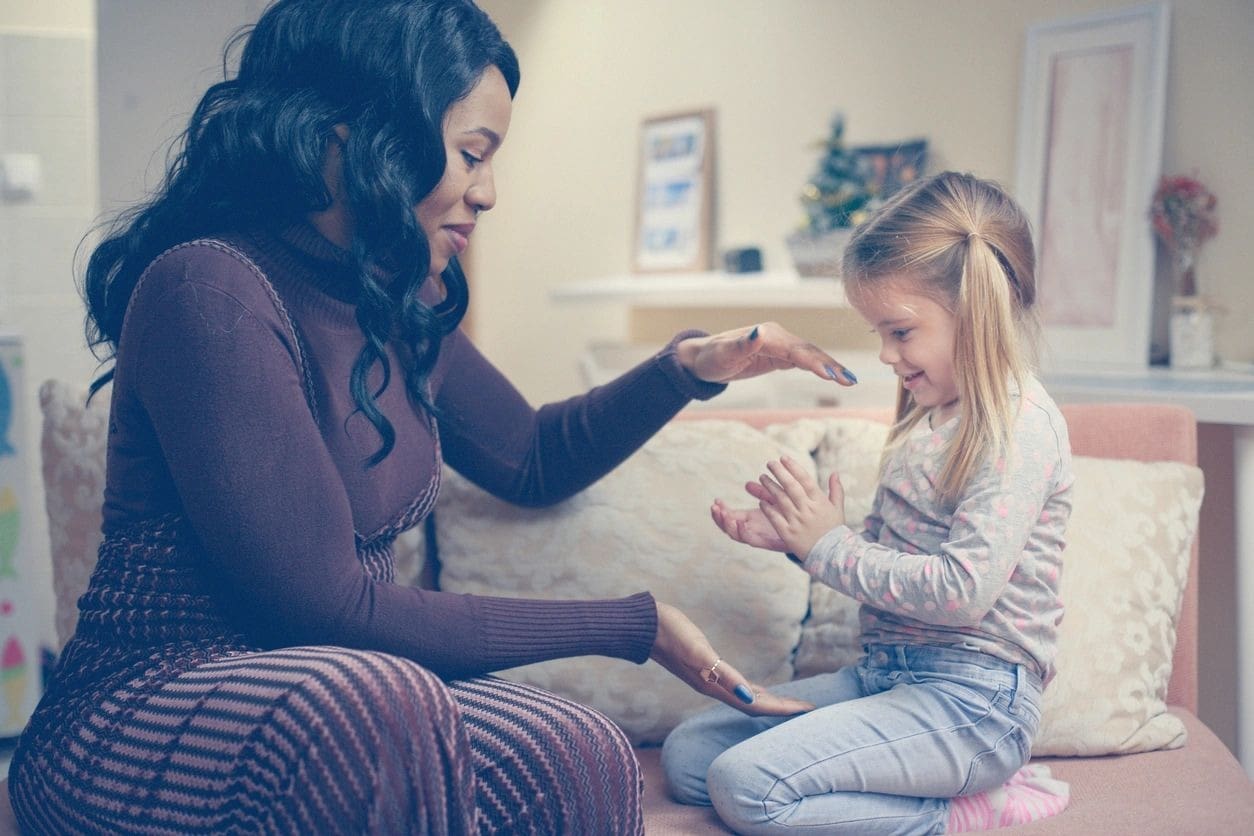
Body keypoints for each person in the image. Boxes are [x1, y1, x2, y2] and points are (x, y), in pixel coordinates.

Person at [6, 2, 856, 833]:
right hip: (141, 709)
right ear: (353, 130)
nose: (488, 193)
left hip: (334, 698)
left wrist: (688, 368)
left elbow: (529, 456)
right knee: (380, 701)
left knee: (574, 748)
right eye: (471, 153)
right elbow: (324, 609)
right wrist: (631, 623)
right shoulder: (209, 289)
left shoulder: (398, 295)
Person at [662, 171, 1075, 835]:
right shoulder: (930, 417)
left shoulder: (1019, 427)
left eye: (900, 332)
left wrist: (831, 546)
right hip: (889, 677)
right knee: (690, 756)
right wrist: (803, 545)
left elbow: (962, 593)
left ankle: (963, 814)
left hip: (973, 704)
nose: (884, 354)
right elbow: (890, 568)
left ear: (977, 311)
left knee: (746, 787)